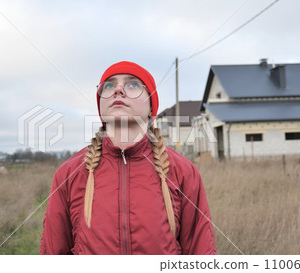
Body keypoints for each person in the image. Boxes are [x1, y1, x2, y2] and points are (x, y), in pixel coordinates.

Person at [39, 61, 216, 255]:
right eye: (109, 85)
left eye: (133, 84)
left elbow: (201, 254)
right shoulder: (68, 174)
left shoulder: (184, 172)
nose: (118, 90)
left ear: (151, 108)